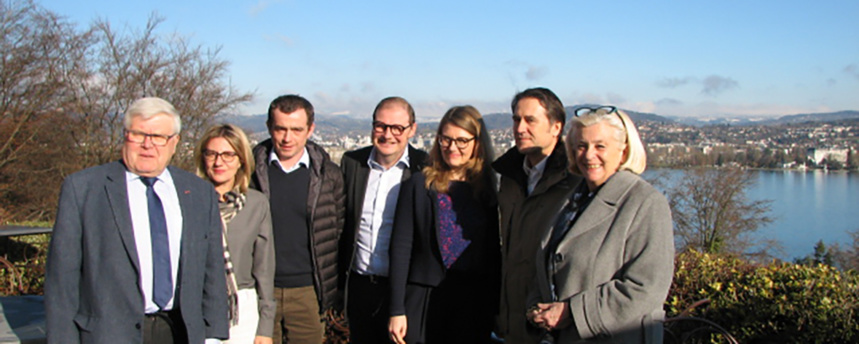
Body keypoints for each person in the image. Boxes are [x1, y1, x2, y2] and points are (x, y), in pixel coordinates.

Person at [45, 97, 229, 343]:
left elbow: (212, 268)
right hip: (108, 334)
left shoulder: (198, 192)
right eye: (138, 134)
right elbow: (62, 279)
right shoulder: (84, 189)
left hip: (179, 331)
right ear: (125, 135)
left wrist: (214, 334)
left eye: (158, 137)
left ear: (174, 142)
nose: (147, 145)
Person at [526, 106, 674, 343]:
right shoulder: (572, 199)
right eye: (581, 146)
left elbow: (646, 288)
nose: (588, 155)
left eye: (600, 146)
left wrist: (573, 313)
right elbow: (550, 262)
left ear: (623, 151)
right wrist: (536, 307)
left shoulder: (645, 203)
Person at [388, 105, 500, 344]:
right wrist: (397, 308)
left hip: (472, 300)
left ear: (477, 143)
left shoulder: (490, 191)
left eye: (461, 141)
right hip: (423, 297)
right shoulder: (419, 185)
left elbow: (493, 255)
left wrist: (496, 307)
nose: (452, 147)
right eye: (445, 139)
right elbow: (400, 248)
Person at [250, 94, 345, 344]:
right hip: (258, 290)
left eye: (296, 129)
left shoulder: (329, 175)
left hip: (308, 292)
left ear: (310, 129)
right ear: (269, 127)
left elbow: (336, 229)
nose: (287, 138)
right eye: (280, 128)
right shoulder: (250, 171)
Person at [492, 87, 581, 344]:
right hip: (512, 319)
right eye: (516, 119)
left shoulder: (575, 181)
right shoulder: (509, 177)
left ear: (556, 127)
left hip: (552, 324)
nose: (520, 128)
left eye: (530, 120)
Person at [339, 97, 429, 344]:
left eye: (397, 128)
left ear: (412, 129)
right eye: (381, 126)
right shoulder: (352, 164)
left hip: (405, 290)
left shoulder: (425, 168)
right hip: (360, 286)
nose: (388, 134)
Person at [195, 124, 276, 344]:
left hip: (242, 307)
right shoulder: (189, 201)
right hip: (197, 305)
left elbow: (264, 269)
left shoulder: (255, 204)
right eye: (211, 154)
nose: (219, 162)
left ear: (241, 159)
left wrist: (265, 328)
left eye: (228, 154)